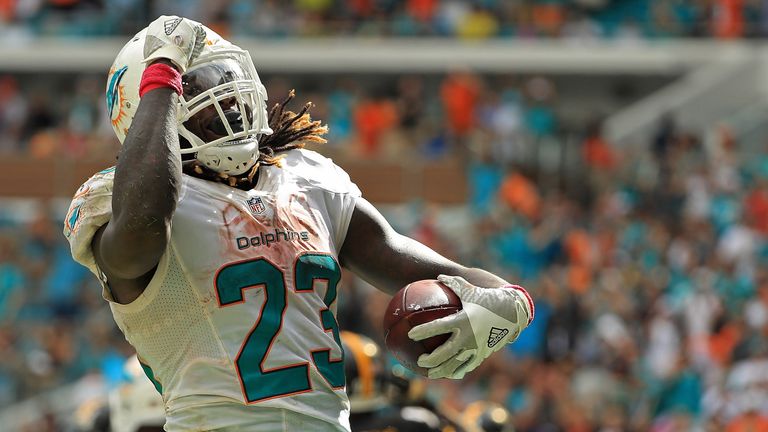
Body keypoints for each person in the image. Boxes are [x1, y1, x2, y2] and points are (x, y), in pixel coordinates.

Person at [63, 15, 534, 431]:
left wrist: (510, 307)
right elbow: (143, 223)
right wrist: (162, 74)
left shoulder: (304, 179)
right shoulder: (119, 202)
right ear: (150, 107)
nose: (227, 100)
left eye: (225, 79)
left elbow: (432, 269)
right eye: (199, 90)